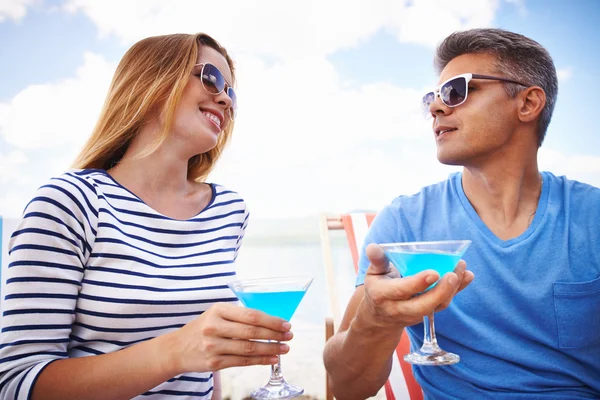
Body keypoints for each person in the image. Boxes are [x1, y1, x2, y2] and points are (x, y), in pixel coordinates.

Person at [0, 33, 293, 400]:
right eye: (211, 78)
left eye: (231, 94)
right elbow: (16, 383)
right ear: (153, 82)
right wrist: (173, 352)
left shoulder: (229, 211)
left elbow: (206, 367)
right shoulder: (70, 202)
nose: (224, 99)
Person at [323, 28, 600, 399]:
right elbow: (347, 388)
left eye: (457, 90)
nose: (437, 107)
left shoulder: (591, 218)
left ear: (529, 103)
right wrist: (376, 320)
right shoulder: (405, 223)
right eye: (432, 99)